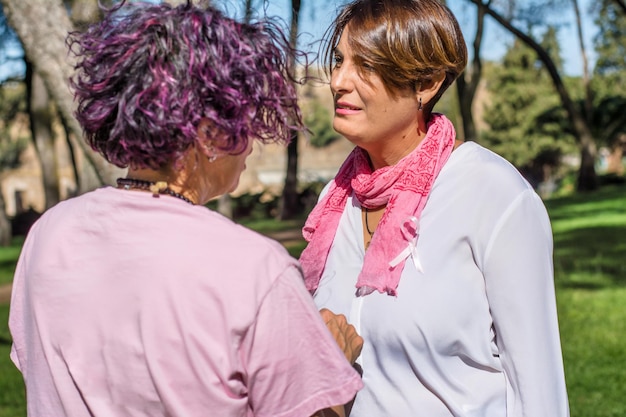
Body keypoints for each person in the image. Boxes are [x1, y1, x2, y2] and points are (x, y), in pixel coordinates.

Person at [8, 2, 363, 416]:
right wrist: (330, 358)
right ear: (210, 133)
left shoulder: (50, 234)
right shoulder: (255, 270)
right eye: (245, 120)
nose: (251, 142)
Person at [299, 0, 570, 416]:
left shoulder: (493, 194)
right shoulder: (334, 200)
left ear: (426, 82)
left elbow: (539, 391)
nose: (338, 80)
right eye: (339, 61)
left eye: (365, 65)